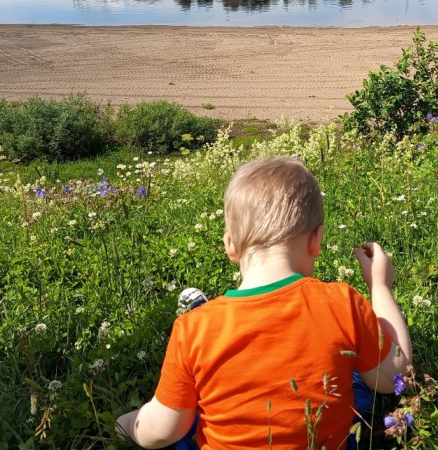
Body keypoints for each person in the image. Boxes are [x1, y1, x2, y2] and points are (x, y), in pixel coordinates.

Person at [116, 157, 412, 449]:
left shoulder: (192, 330)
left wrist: (127, 424)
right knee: (356, 380)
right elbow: (394, 376)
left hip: (210, 335)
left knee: (191, 410)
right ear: (316, 241)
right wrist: (380, 287)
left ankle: (204, 308)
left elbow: (162, 428)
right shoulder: (342, 302)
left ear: (230, 245)